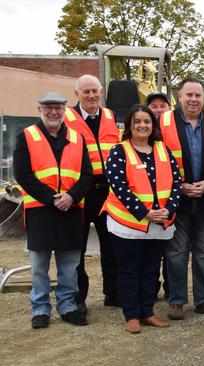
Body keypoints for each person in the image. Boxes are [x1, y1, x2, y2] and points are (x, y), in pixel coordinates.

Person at [14, 92, 93, 328]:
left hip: (71, 208)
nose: (53, 112)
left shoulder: (78, 138)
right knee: (39, 266)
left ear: (65, 109)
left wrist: (71, 196)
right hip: (41, 210)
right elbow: (23, 174)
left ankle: (68, 306)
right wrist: (52, 198)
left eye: (58, 107)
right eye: (48, 107)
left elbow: (87, 174)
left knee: (69, 265)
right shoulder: (26, 136)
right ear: (39, 109)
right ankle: (40, 310)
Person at [102, 105, 182, 333]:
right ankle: (132, 315)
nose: (142, 125)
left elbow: (176, 182)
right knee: (129, 269)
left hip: (159, 223)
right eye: (137, 121)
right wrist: (144, 212)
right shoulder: (119, 151)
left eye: (147, 121)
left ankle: (147, 312)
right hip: (128, 224)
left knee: (151, 270)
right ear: (129, 125)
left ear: (153, 125)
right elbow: (119, 187)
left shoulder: (163, 149)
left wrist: (169, 209)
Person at [159, 77, 204, 320]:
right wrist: (179, 186)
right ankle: (177, 301)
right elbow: (156, 159)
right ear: (179, 97)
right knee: (176, 252)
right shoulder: (164, 121)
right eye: (188, 95)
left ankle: (203, 299)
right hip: (177, 199)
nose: (193, 99)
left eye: (198, 95)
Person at [64, 74, 121, 313]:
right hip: (79, 191)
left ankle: (114, 293)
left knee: (112, 245)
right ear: (76, 94)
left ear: (101, 92)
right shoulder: (66, 118)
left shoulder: (110, 116)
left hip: (106, 191)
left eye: (94, 91)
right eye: (86, 91)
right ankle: (79, 298)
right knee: (77, 249)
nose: (91, 95)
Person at [146, 91, 172, 300]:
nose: (158, 110)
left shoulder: (171, 132)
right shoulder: (139, 133)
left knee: (170, 253)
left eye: (162, 106)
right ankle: (150, 290)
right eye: (153, 106)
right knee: (150, 254)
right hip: (145, 210)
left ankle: (171, 289)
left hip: (168, 205)